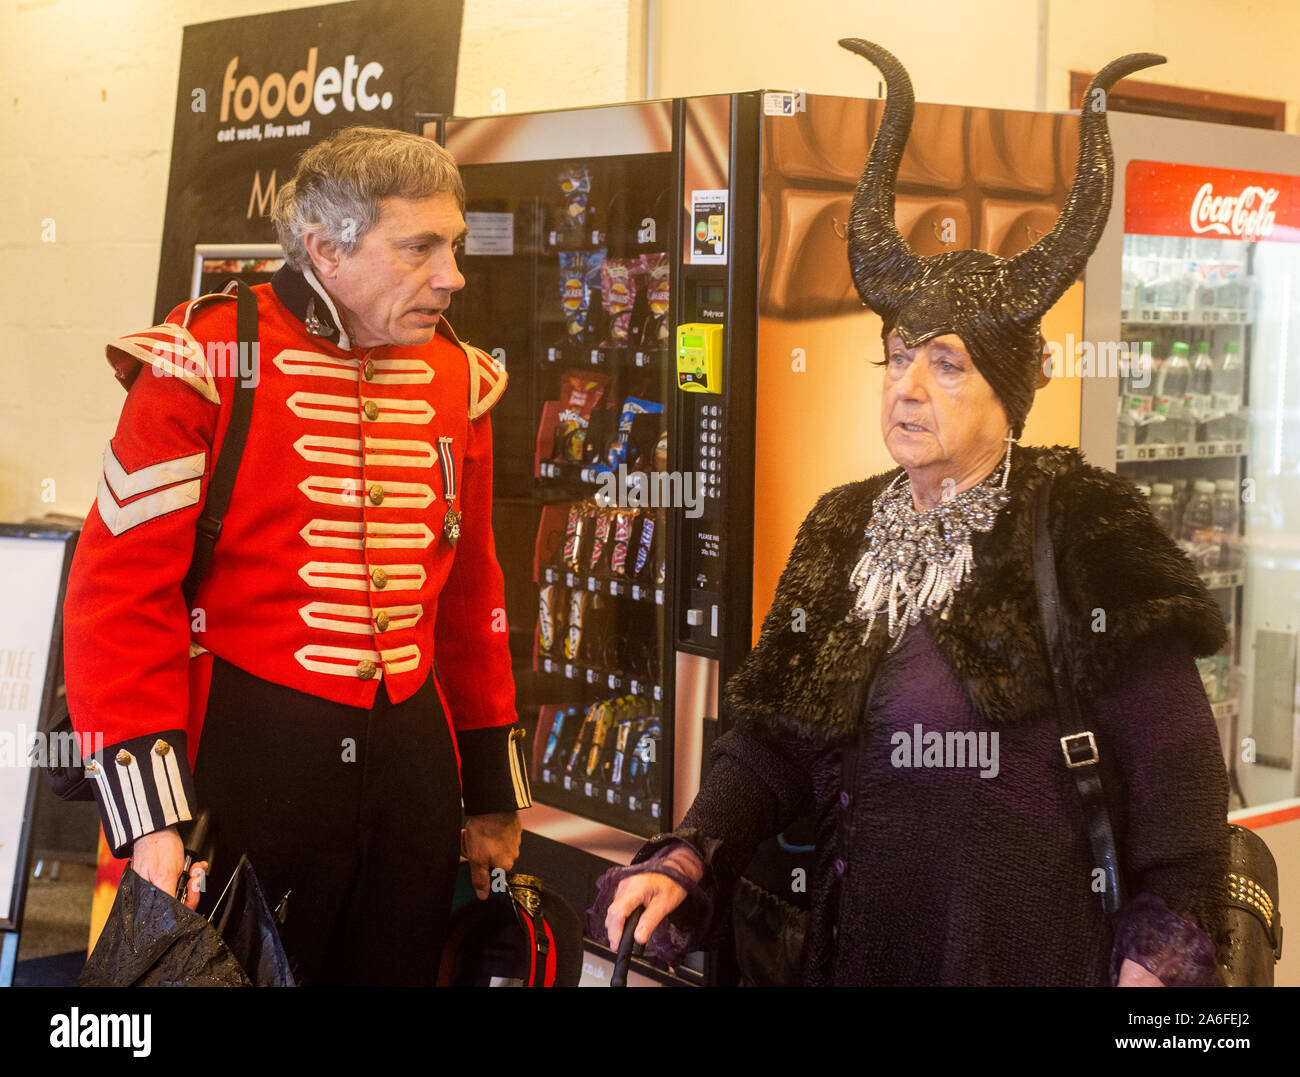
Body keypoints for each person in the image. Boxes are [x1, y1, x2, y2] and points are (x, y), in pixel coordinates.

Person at [593, 41, 1230, 987]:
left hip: (1027, 953)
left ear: (1007, 389)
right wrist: (689, 853)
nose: (907, 387)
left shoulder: (1086, 523)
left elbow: (1175, 777)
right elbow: (773, 740)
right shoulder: (843, 524)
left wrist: (1159, 955)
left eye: (947, 362)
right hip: (860, 949)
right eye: (896, 356)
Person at [63, 126, 531, 985]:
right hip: (248, 755)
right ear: (325, 248)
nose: (453, 275)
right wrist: (152, 821)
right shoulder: (201, 358)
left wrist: (495, 792)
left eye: (454, 245)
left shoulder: (460, 378)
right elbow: (119, 596)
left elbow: (471, 593)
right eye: (418, 247)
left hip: (412, 766)